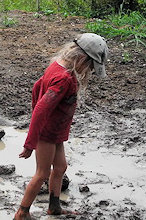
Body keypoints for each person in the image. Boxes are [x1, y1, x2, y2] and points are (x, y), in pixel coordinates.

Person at [14, 33, 109, 220]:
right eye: (90, 66)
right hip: (46, 134)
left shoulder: (58, 64)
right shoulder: (64, 79)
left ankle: (54, 207)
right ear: (82, 58)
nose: (89, 70)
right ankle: (22, 213)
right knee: (42, 173)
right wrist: (30, 143)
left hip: (56, 132)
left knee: (60, 168)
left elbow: (37, 86)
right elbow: (41, 109)